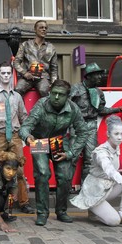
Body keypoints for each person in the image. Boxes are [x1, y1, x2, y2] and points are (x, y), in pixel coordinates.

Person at [19, 79, 88, 226]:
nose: (56, 97)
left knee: (64, 176)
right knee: (43, 173)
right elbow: (26, 126)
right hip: (40, 141)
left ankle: (61, 211)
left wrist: (70, 153)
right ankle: (42, 212)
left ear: (67, 96)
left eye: (61, 95)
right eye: (54, 93)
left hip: (59, 142)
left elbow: (83, 132)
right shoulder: (41, 105)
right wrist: (27, 136)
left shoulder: (73, 109)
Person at [0, 61, 35, 215]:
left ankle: (22, 203)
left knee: (19, 170)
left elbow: (23, 116)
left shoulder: (17, 96)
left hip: (15, 136)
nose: (6, 76)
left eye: (8, 73)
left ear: (11, 75)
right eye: (3, 73)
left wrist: (29, 133)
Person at [70, 115, 122, 226]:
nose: (120, 137)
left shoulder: (116, 146)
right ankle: (93, 208)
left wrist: (120, 172)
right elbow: (109, 169)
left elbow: (108, 170)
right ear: (108, 134)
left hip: (108, 187)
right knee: (114, 221)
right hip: (95, 191)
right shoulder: (100, 152)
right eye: (116, 134)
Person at [70, 62, 122, 183]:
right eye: (96, 75)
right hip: (76, 125)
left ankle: (85, 188)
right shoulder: (75, 88)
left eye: (100, 75)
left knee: (90, 158)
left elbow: (101, 110)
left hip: (91, 125)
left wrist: (120, 108)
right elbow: (66, 106)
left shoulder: (99, 93)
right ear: (88, 76)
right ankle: (66, 188)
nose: (100, 77)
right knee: (72, 156)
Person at [13, 20, 58, 97]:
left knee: (44, 90)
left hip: (43, 77)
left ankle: (44, 108)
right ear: (35, 30)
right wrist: (24, 73)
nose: (44, 29)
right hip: (28, 77)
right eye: (41, 27)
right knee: (18, 89)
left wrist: (53, 83)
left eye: (45, 28)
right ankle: (20, 109)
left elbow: (54, 68)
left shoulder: (51, 47)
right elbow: (16, 62)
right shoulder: (25, 45)